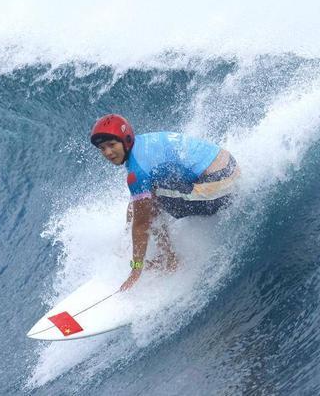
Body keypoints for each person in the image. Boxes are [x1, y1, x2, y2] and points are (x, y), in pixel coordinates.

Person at [90, 114, 240, 291]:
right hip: (229, 166)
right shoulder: (143, 142)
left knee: (148, 204)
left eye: (112, 145)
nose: (107, 152)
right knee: (140, 203)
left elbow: (141, 224)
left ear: (126, 140)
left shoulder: (136, 172)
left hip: (221, 188)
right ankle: (166, 256)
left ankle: (170, 260)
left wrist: (136, 271)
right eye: (102, 148)